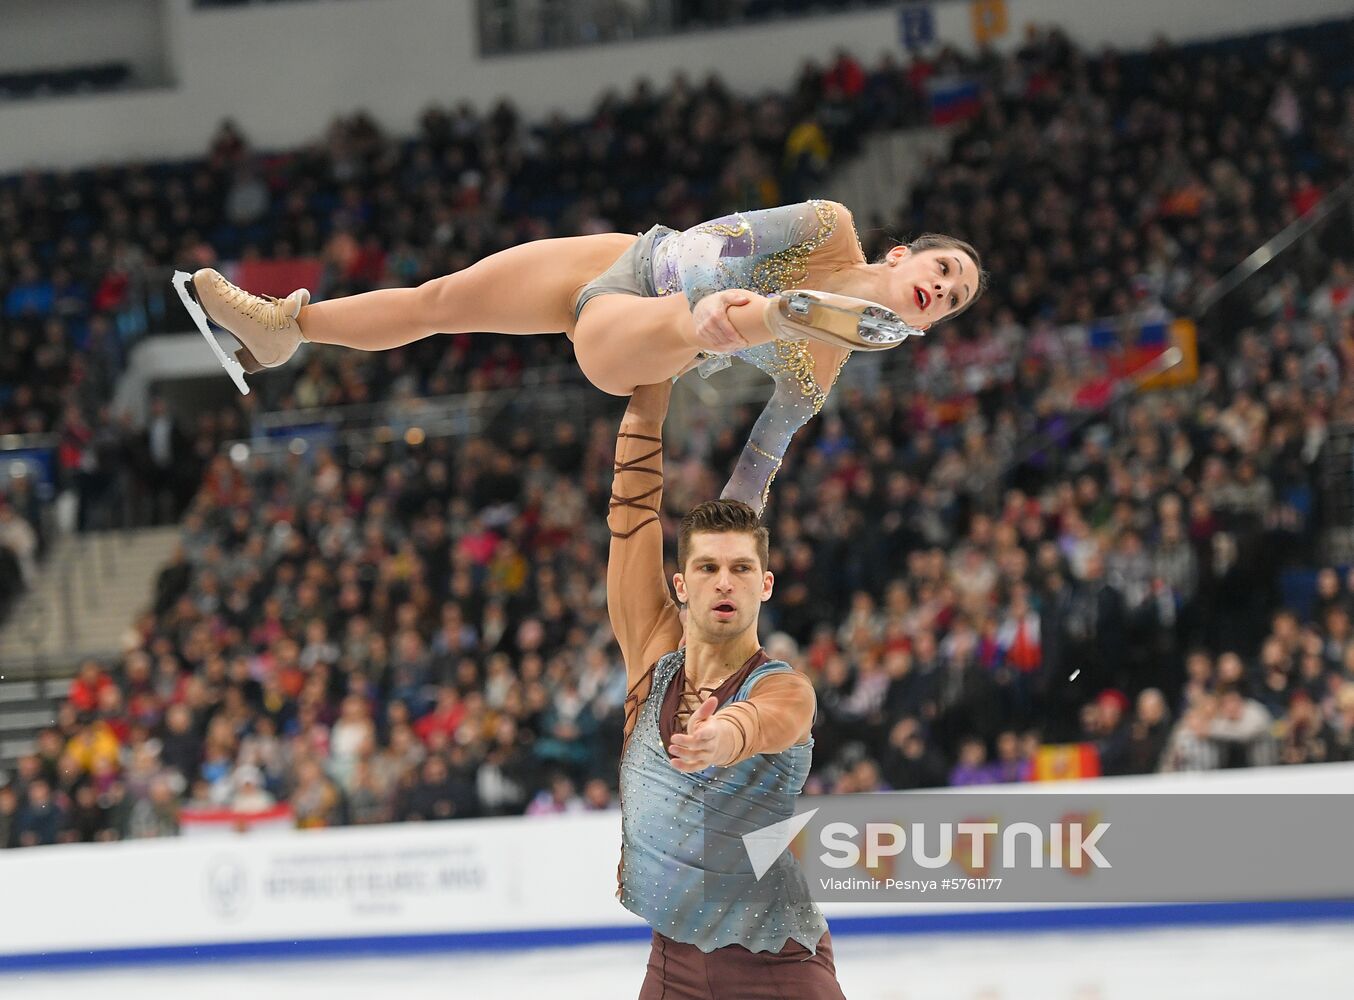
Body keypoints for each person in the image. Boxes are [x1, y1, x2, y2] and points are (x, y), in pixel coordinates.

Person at [176, 200, 984, 512]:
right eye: (943, 271)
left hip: (653, 330)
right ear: (904, 253)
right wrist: (701, 261)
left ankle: (763, 316)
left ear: (931, 326)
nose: (941, 290)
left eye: (953, 301)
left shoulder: (823, 370)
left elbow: (760, 461)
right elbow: (728, 234)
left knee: (707, 322)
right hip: (631, 259)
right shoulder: (830, 225)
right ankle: (286, 328)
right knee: (440, 302)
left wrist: (732, 531)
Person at [607, 379, 845, 999]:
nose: (724, 583)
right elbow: (631, 512)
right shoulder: (652, 655)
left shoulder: (784, 687)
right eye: (707, 568)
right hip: (672, 969)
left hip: (779, 965)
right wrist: (651, 375)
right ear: (681, 585)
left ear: (764, 585)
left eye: (741, 569)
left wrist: (722, 737)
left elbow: (770, 721)